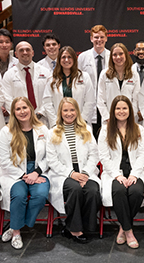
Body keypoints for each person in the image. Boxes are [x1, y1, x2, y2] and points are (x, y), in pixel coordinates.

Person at [0, 97, 50, 249]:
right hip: (15, 172)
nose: (22, 112)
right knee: (19, 196)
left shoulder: (42, 129)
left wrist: (37, 172)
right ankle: (16, 234)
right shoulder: (6, 131)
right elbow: (4, 160)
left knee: (40, 196)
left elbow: (49, 156)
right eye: (18, 109)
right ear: (13, 112)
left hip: (39, 171)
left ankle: (14, 225)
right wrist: (23, 176)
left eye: (25, 108)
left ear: (31, 109)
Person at [46, 97, 100, 244]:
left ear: (77, 111)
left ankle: (82, 226)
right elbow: (52, 160)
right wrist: (72, 174)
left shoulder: (86, 129)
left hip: (85, 172)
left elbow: (94, 154)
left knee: (93, 190)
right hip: (64, 174)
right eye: (65, 110)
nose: (69, 113)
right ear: (60, 112)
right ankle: (75, 229)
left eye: (72, 110)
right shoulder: (53, 132)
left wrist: (86, 173)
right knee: (75, 189)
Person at [98, 96, 144, 249]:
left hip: (135, 171)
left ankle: (122, 227)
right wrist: (117, 175)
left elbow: (143, 154)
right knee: (119, 191)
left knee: (137, 192)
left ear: (130, 110)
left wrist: (134, 174)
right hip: (114, 172)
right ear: (113, 111)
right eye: (118, 108)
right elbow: (104, 157)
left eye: (124, 108)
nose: (121, 111)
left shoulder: (139, 129)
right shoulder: (106, 130)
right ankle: (129, 231)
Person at [1, 41, 53, 126]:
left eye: (27, 50)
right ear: (16, 54)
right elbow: (7, 99)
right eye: (21, 50)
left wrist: (40, 113)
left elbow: (50, 96)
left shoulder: (45, 72)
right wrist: (21, 115)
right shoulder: (9, 75)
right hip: (19, 121)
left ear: (32, 53)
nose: (25, 52)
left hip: (42, 119)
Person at [43, 46, 96, 126]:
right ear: (59, 60)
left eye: (69, 57)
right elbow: (47, 103)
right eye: (63, 57)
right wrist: (55, 122)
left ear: (74, 59)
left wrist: (82, 120)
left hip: (81, 123)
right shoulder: (52, 79)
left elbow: (90, 101)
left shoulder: (84, 77)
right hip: (59, 124)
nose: (66, 60)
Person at [77, 25, 109, 138]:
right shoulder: (82, 57)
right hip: (89, 105)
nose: (99, 40)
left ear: (106, 38)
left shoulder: (112, 56)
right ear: (91, 38)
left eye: (101, 37)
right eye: (96, 37)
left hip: (107, 104)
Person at [97, 43, 140, 124]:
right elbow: (100, 100)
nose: (118, 57)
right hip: (109, 120)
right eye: (114, 55)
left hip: (129, 121)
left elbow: (136, 100)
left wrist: (128, 117)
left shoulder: (134, 75)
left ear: (126, 55)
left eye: (121, 54)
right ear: (111, 57)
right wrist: (108, 118)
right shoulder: (104, 74)